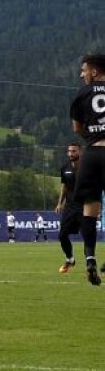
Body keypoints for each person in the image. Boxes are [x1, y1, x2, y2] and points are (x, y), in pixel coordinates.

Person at [70, 53, 105, 285]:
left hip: (92, 154)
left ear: (94, 72)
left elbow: (76, 129)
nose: (82, 75)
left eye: (84, 70)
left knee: (89, 208)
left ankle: (90, 258)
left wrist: (91, 137)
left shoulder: (82, 93)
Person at [57, 142, 84, 273]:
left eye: (74, 151)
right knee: (62, 235)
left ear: (80, 152)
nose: (71, 154)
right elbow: (64, 186)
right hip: (69, 207)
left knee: (88, 236)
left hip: (84, 206)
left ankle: (91, 265)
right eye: (69, 151)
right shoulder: (64, 168)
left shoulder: (87, 167)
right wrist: (59, 203)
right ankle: (70, 259)